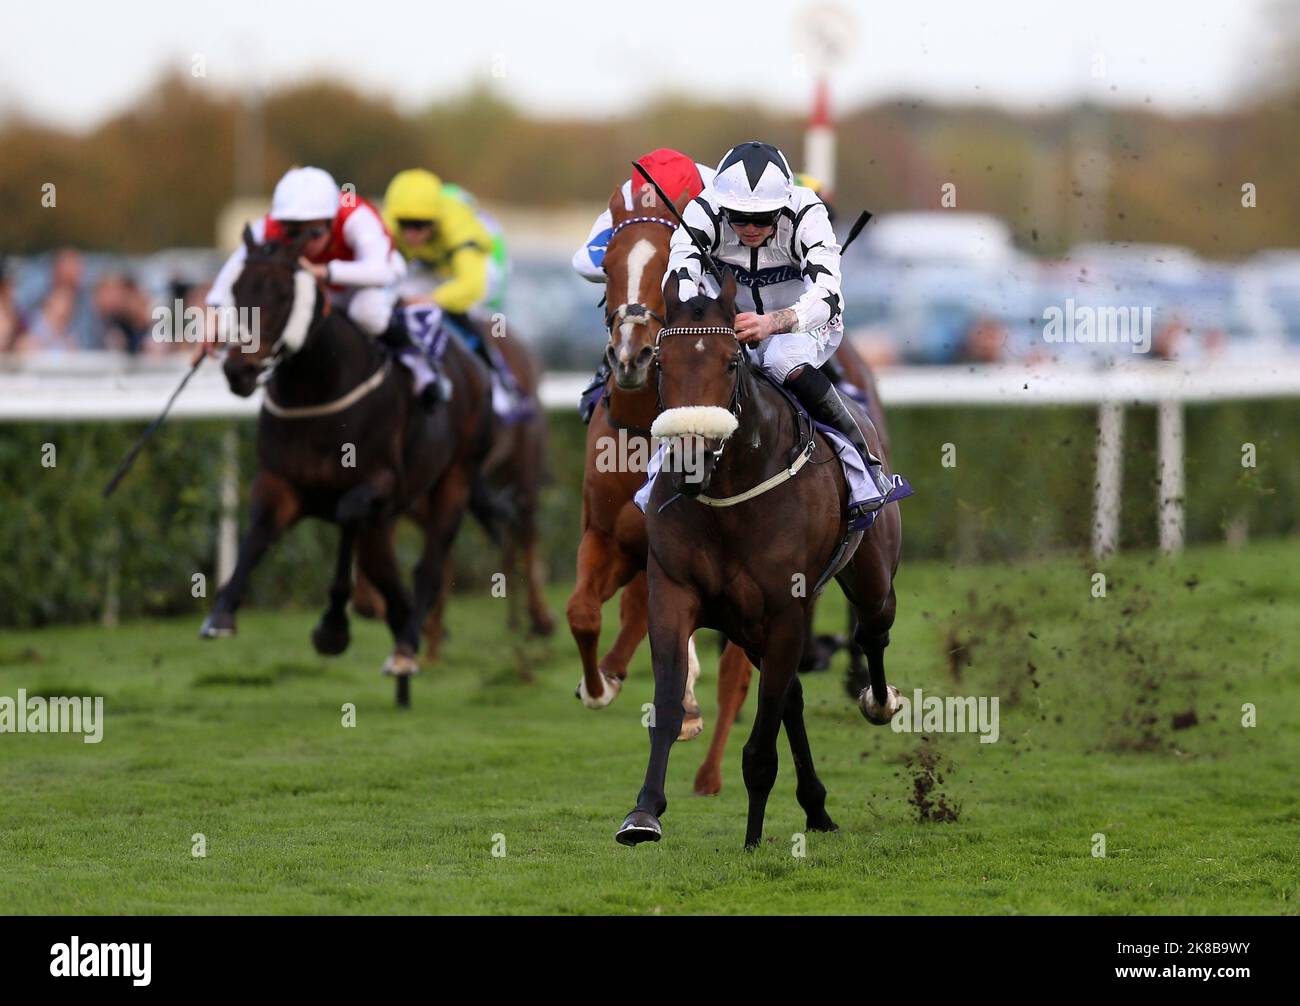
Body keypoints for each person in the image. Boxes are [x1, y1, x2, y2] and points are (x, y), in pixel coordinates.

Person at [665, 140, 899, 519]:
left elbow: (828, 297)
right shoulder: (703, 210)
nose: (750, 228)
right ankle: (661, 471)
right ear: (723, 206)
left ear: (783, 207)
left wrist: (773, 322)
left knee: (780, 358)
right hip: (729, 320)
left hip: (805, 322)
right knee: (696, 361)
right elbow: (680, 277)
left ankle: (863, 464)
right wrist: (706, 325)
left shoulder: (807, 211)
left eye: (763, 219)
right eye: (739, 218)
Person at [573, 148, 715, 419]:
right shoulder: (629, 194)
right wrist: (639, 268)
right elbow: (583, 262)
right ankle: (610, 367)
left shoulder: (719, 192)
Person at [207, 166, 406, 344]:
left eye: (314, 233)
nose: (303, 243)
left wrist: (320, 271)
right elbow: (237, 265)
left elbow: (380, 272)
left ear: (332, 221)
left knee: (366, 313)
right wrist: (215, 313)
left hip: (377, 283)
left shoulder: (356, 216)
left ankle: (411, 357)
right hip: (331, 289)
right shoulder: (273, 225)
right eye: (293, 233)